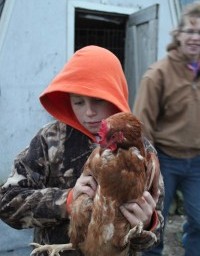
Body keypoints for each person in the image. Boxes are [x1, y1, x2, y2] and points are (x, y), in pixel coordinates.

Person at [0, 45, 163, 256]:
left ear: (116, 95)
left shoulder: (143, 152)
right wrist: (66, 200)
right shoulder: (48, 141)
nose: (89, 112)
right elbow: (6, 202)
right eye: (78, 102)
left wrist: (148, 223)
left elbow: (155, 233)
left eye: (98, 100)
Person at [133, 2, 200, 256]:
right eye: (190, 31)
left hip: (196, 162)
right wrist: (150, 167)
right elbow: (142, 126)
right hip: (165, 160)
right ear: (178, 35)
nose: (195, 38)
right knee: (154, 224)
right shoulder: (157, 75)